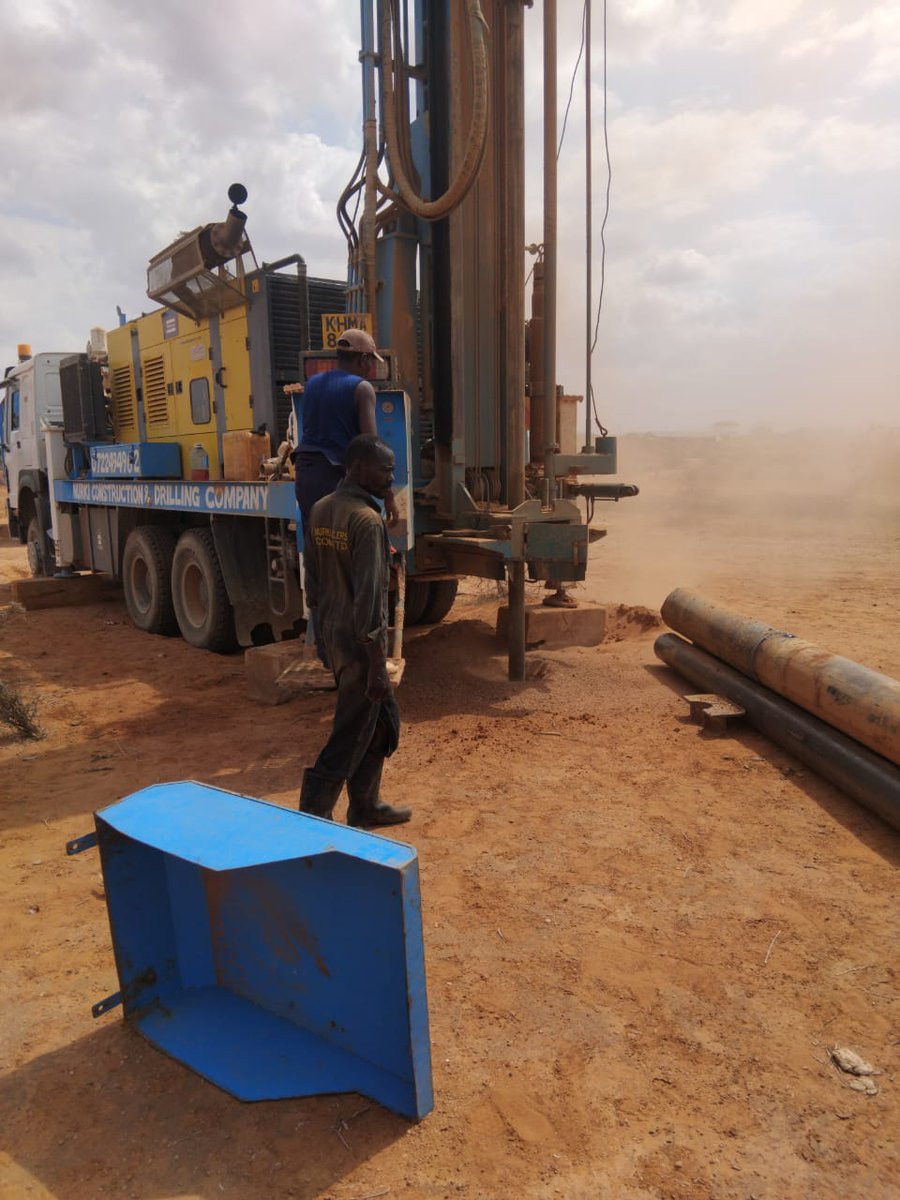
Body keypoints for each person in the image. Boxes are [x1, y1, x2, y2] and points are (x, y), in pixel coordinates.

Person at [298, 434, 412, 828]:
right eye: (385, 470)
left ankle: (365, 805)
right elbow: (370, 600)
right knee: (350, 732)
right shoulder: (366, 522)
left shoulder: (321, 509)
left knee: (382, 723)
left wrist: (324, 636)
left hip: (335, 635)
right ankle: (313, 813)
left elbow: (312, 583)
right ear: (358, 468)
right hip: (362, 647)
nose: (391, 477)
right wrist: (376, 664)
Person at [293, 327, 398, 539]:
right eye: (371, 361)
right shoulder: (362, 388)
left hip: (306, 475)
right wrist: (388, 495)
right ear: (363, 359)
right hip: (337, 480)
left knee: (318, 545)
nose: (371, 368)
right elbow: (372, 449)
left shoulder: (312, 384)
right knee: (348, 547)